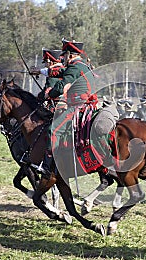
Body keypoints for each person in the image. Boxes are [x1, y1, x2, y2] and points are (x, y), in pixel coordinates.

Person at [37, 39, 96, 178]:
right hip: (81, 104)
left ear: (69, 54)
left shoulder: (75, 67)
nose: (62, 57)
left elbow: (62, 84)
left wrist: (49, 94)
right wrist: (40, 71)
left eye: (64, 54)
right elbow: (60, 72)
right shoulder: (79, 65)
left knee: (53, 130)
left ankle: (48, 166)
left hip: (78, 107)